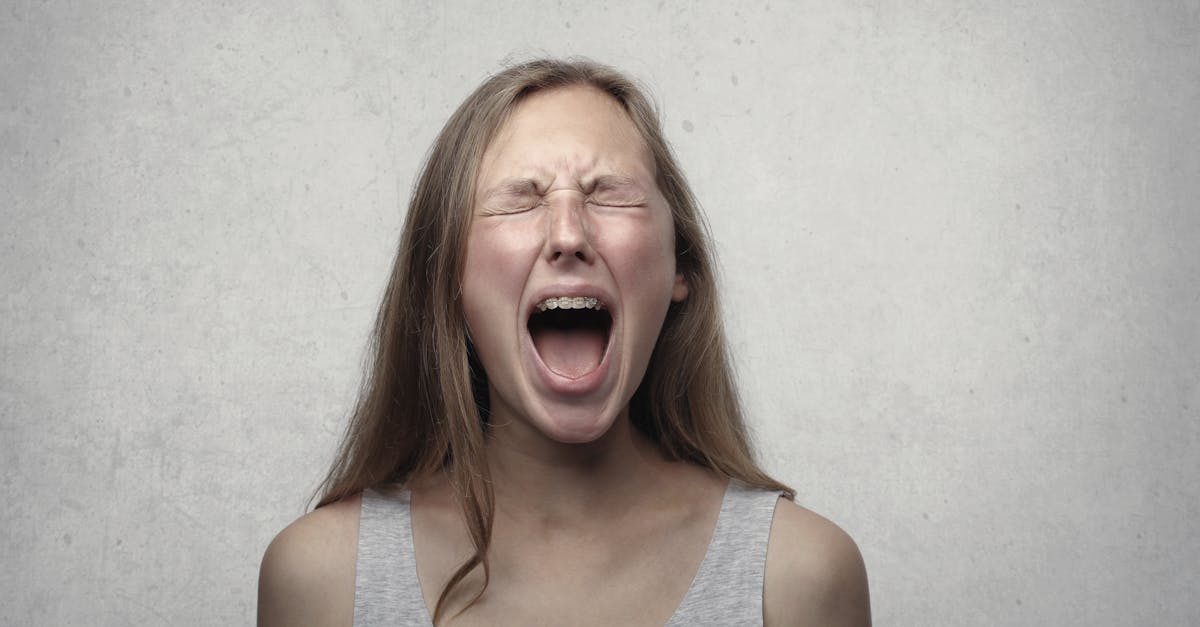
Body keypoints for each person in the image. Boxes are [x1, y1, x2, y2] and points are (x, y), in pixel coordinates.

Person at [258, 58, 870, 626]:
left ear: (679, 267)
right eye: (519, 199)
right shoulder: (322, 581)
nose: (568, 233)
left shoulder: (799, 577)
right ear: (446, 279)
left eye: (609, 191)